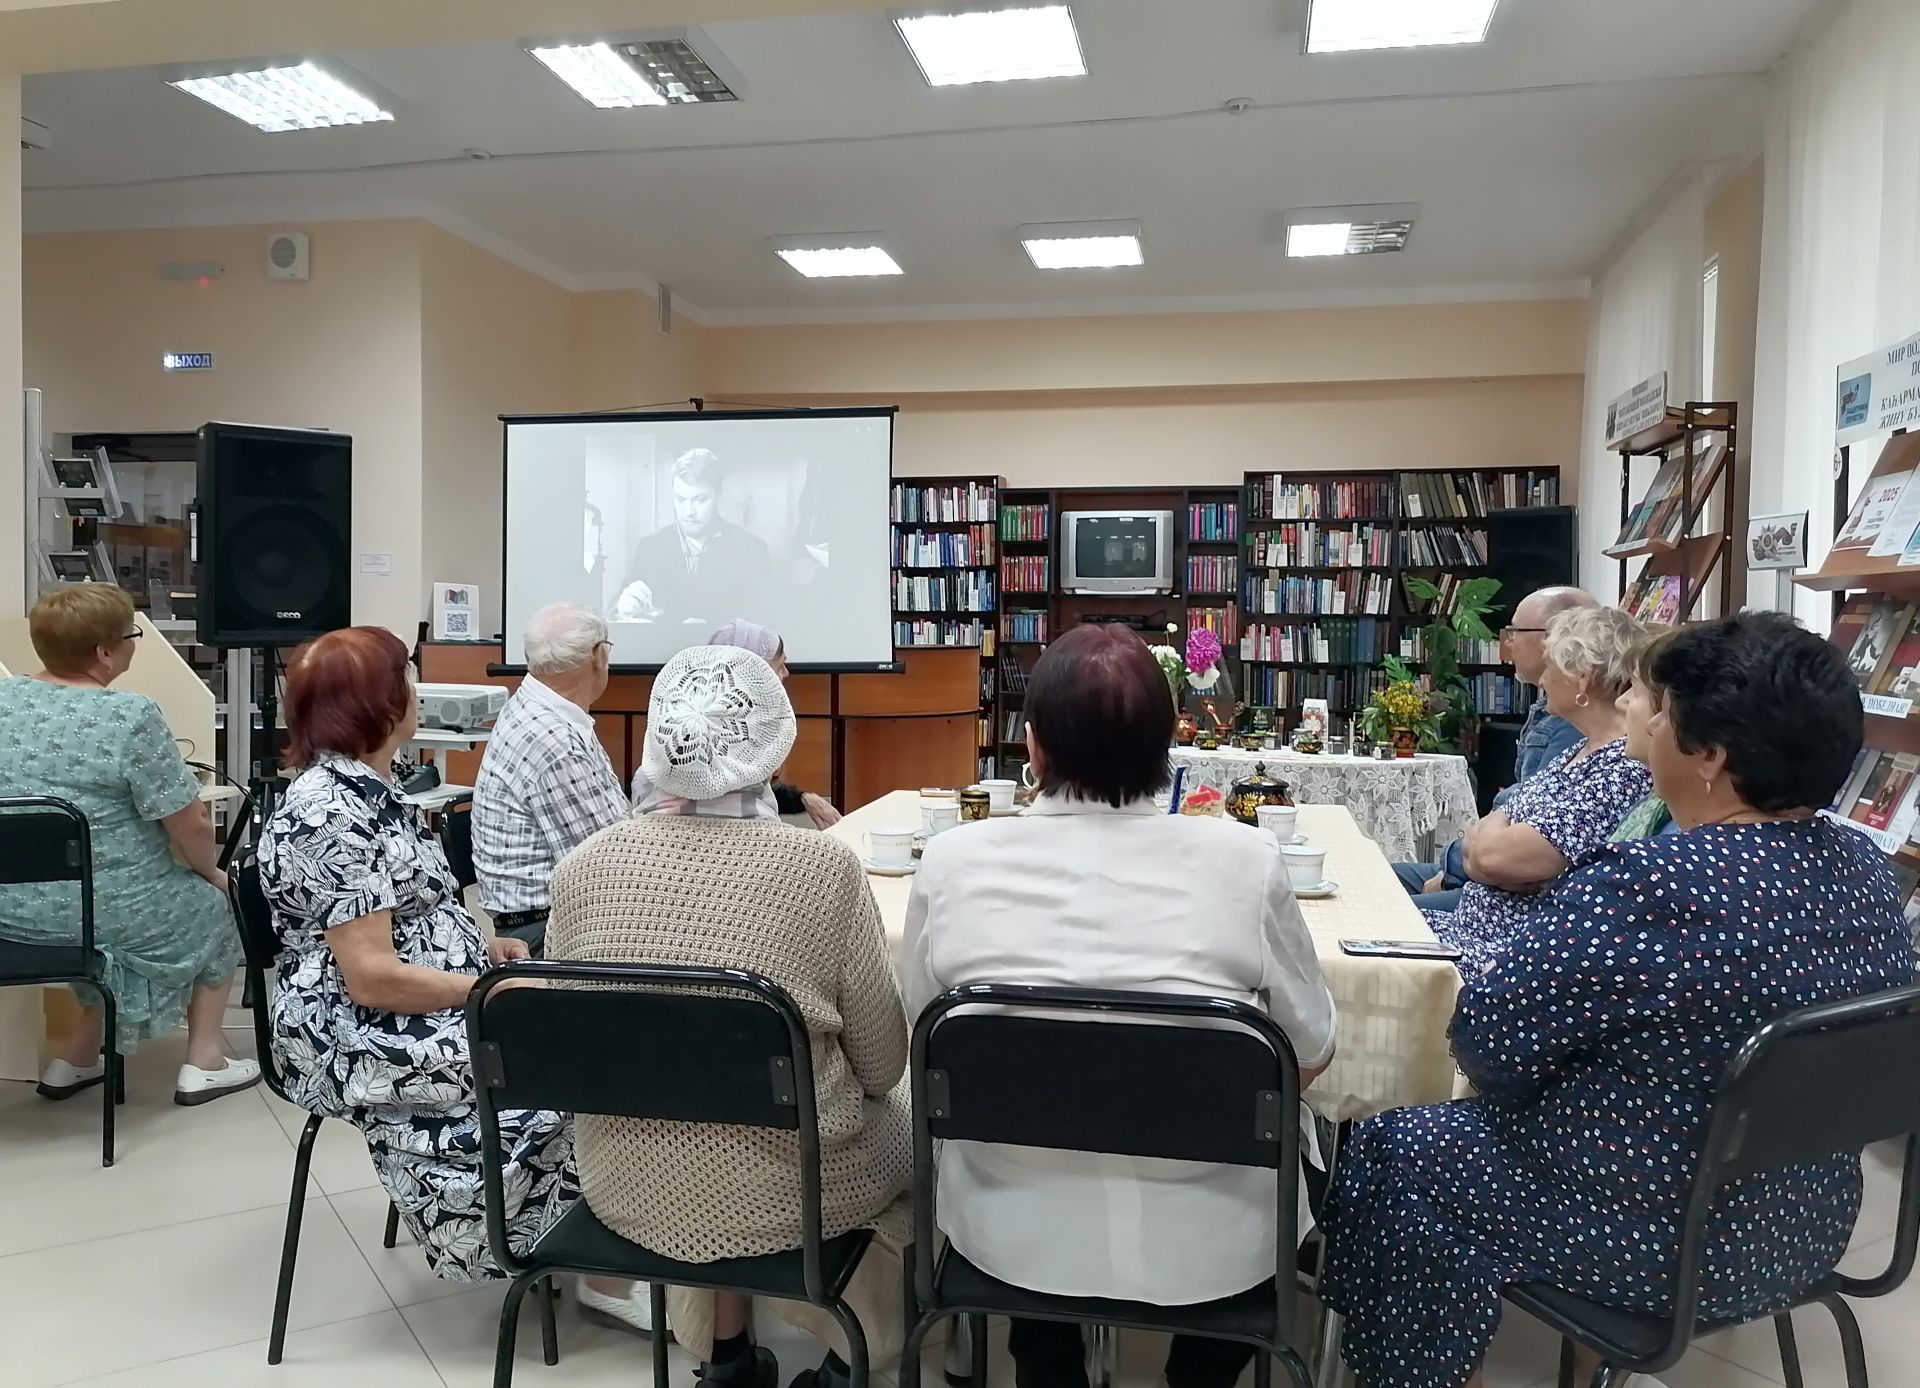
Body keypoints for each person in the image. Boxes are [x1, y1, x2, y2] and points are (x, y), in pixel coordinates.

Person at [1320, 610, 1916, 1388]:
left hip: (1656, 1238)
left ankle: (1397, 1372)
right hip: (1804, 1218)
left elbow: (1488, 1046)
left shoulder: (1649, 886)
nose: (1635, 707)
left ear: (1708, 755)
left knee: (1395, 1142)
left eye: (1656, 702)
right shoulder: (1868, 871)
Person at [902, 624, 1337, 1388]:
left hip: (1011, 1224)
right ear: (1173, 742)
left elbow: (923, 1038)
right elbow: (1312, 1051)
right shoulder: (1244, 858)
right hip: (1215, 1235)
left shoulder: (951, 861)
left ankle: (1046, 1360)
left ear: (1031, 748)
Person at [549, 643, 910, 1388]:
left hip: (622, 1181)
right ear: (776, 739)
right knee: (910, 1125)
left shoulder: (581, 867)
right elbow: (883, 1064)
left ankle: (729, 1358)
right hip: (795, 1192)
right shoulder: (823, 867)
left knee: (703, 1104)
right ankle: (853, 1360)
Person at [257, 627, 575, 1282]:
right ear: (380, 702)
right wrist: (486, 992)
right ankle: (541, 1242)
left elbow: (405, 913)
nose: (416, 689)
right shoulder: (329, 813)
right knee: (560, 1055)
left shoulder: (376, 790)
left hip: (404, 996)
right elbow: (370, 977)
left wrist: (482, 948)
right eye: (406, 676)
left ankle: (570, 1231)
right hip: (350, 1028)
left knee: (576, 1033)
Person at [0, 585, 259, 1105]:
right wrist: (211, 870)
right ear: (104, 652)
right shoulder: (130, 716)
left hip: (12, 912)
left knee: (110, 925)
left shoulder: (5, 700)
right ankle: (205, 1057)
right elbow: (190, 826)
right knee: (217, 905)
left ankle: (74, 1057)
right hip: (107, 910)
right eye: (130, 636)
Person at [1427, 605, 1652, 973]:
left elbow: (1490, 858)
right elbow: (1488, 832)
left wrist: (1491, 840)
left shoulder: (1621, 767)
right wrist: (1490, 841)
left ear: (1581, 679)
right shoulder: (1578, 749)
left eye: (1550, 667)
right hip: (1470, 927)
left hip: (1504, 953)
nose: (1542, 679)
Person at [1392, 586, 1599, 911]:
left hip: (1508, 897)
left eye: (1516, 631)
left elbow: (1520, 844)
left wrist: (1452, 871)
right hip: (1482, 869)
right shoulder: (1551, 710)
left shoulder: (1576, 724)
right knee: (1370, 880)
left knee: (1378, 906)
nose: (1507, 642)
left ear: (1555, 639)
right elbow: (1511, 812)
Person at [472, 603, 630, 955]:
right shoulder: (555, 741)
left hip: (540, 917)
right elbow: (609, 861)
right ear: (598, 656)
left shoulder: (535, 704)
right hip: (544, 931)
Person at [687, 618, 841, 828]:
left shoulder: (688, 714)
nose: (786, 673)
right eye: (779, 665)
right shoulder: (734, 729)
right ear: (753, 671)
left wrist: (802, 798)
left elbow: (744, 785)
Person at [612, 448, 771, 627]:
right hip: (663, 654)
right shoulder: (650, 548)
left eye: (700, 500)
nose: (689, 512)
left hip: (726, 653)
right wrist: (623, 610)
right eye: (680, 500)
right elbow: (615, 614)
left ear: (719, 494)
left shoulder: (750, 549)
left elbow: (765, 625)